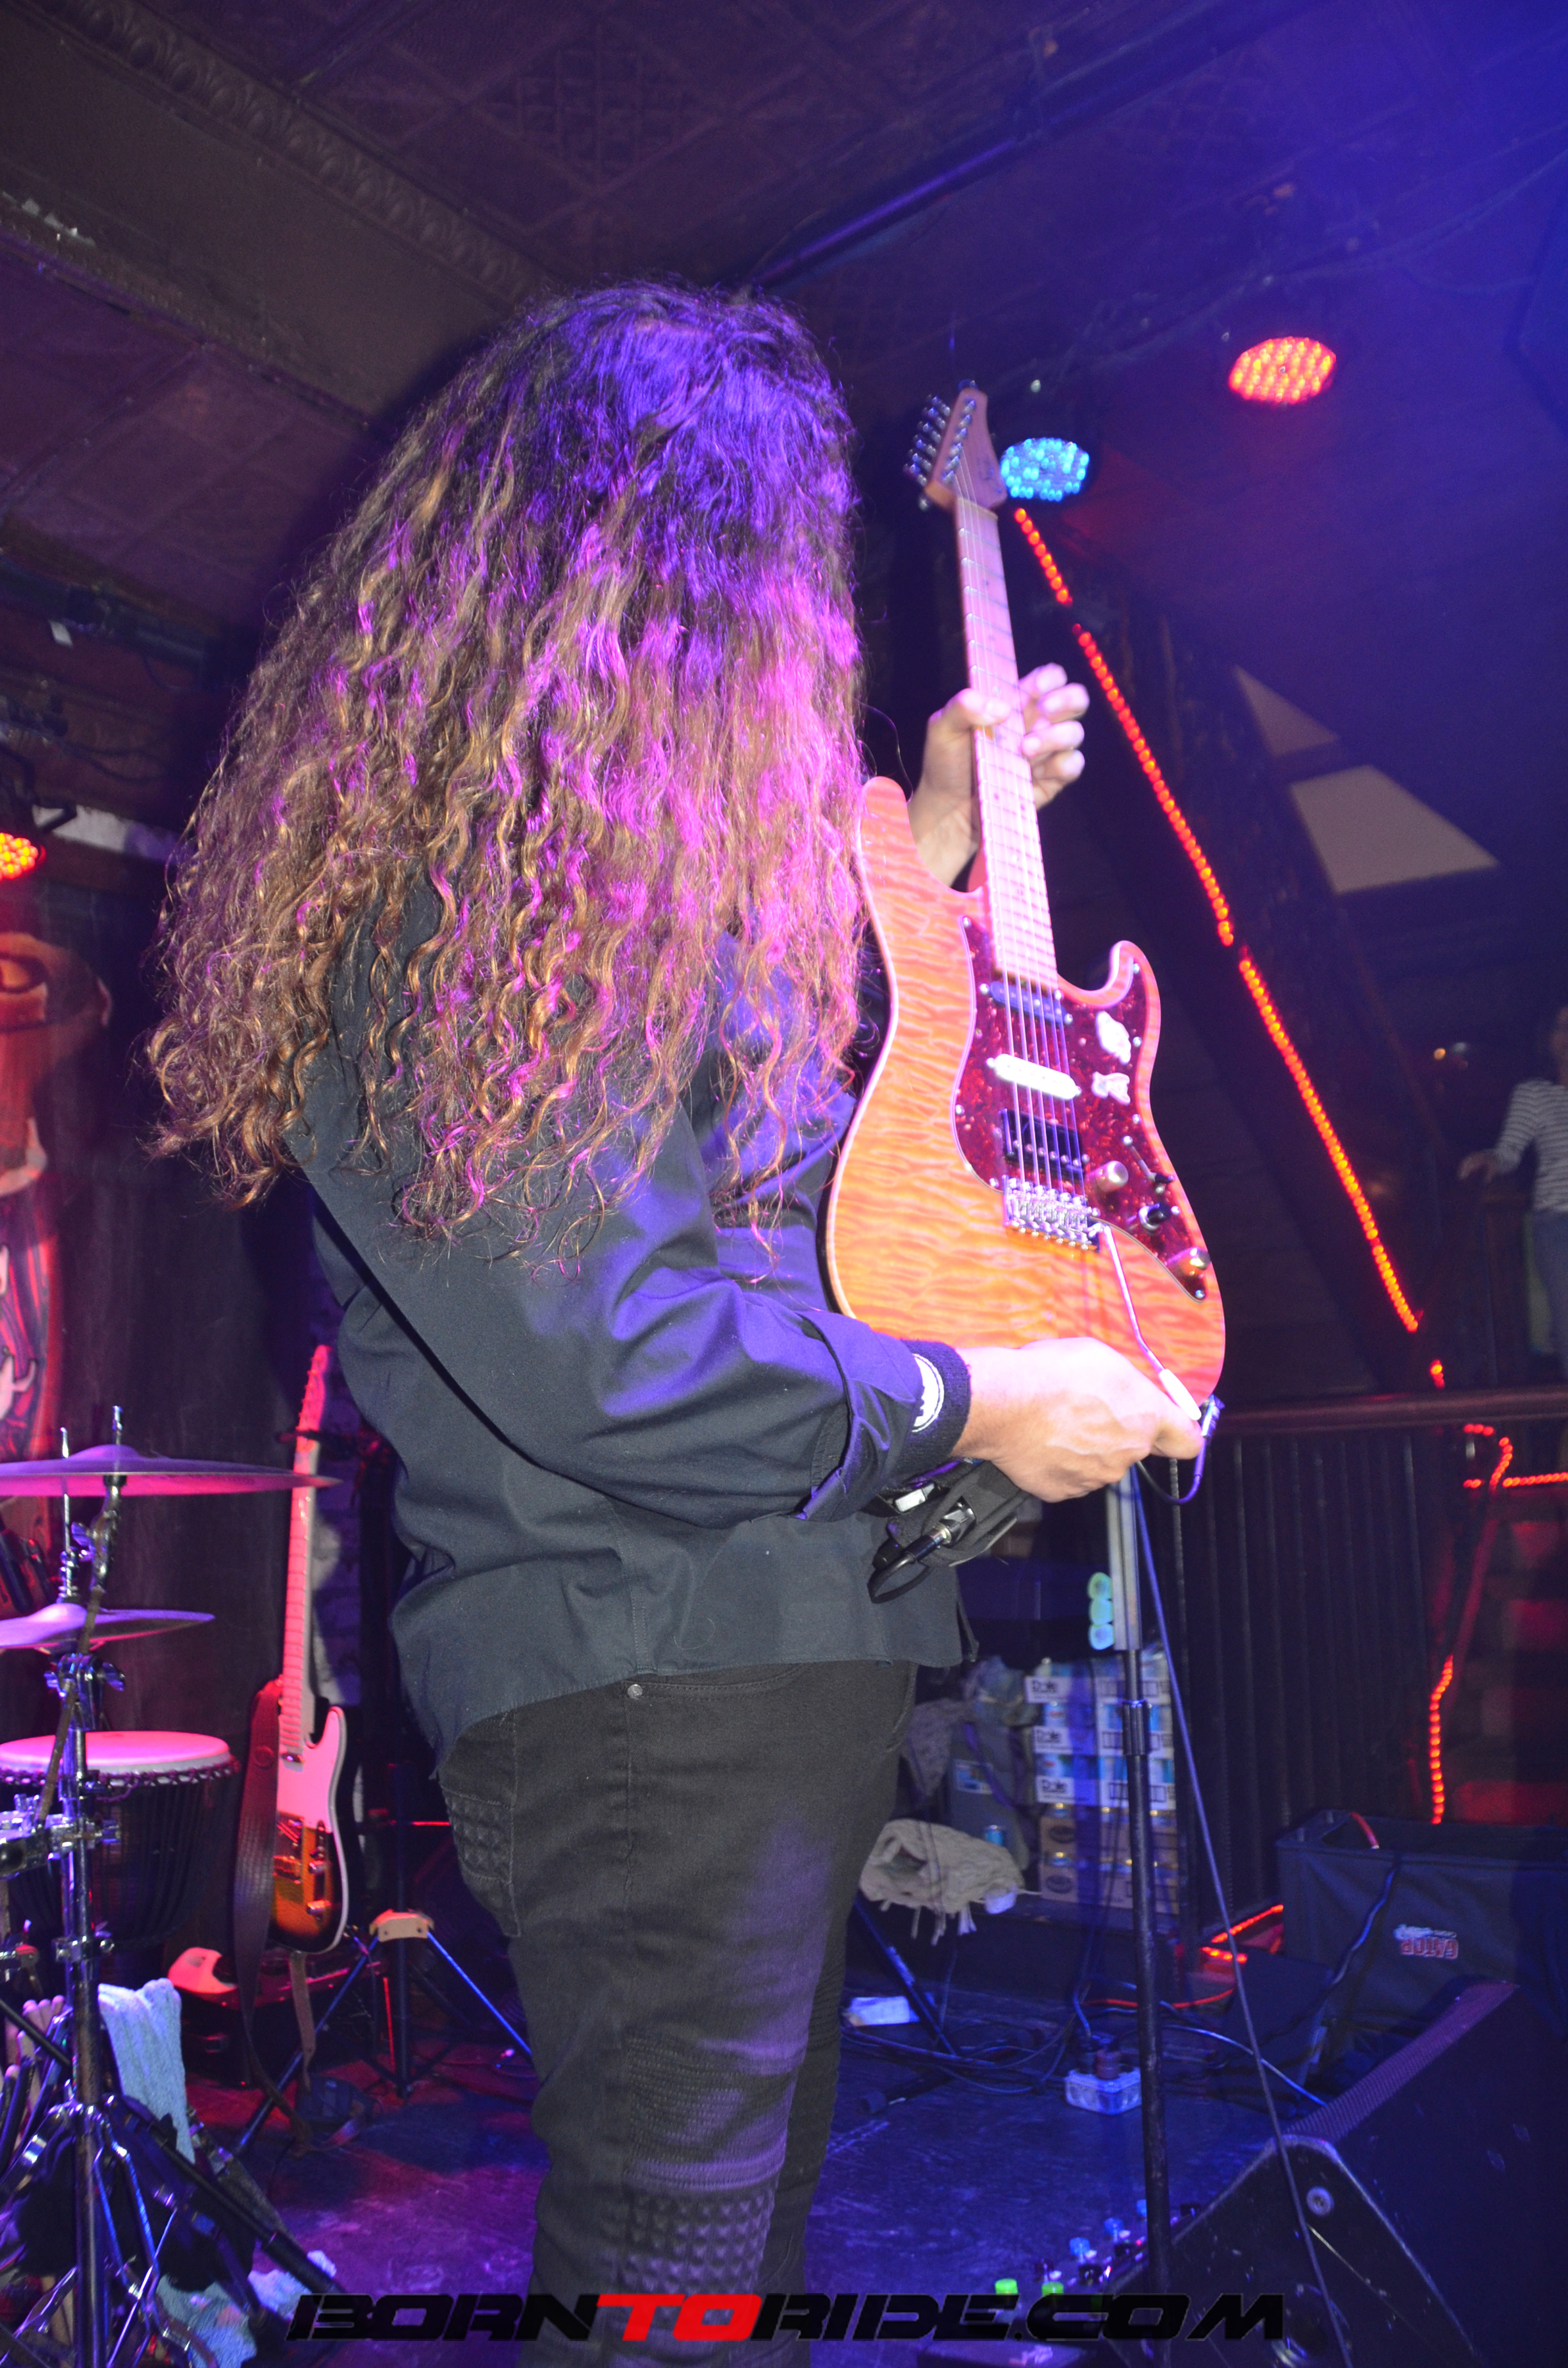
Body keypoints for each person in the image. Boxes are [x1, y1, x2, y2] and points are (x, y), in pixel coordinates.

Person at [151, 284, 1199, 2355]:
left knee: (730, 2260)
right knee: (676, 2270)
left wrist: (924, 834)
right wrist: (981, 1396)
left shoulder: (594, 914)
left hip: (743, 1651)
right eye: (777, 577)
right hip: (649, 1672)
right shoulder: (461, 897)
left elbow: (762, 1170)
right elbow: (615, 1361)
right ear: (677, 587)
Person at [1460, 1001, 1568, 1377]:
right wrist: (1490, 1159)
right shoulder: (1534, 1094)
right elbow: (1509, 1150)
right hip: (1560, 1225)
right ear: (1549, 1039)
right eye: (1561, 1027)